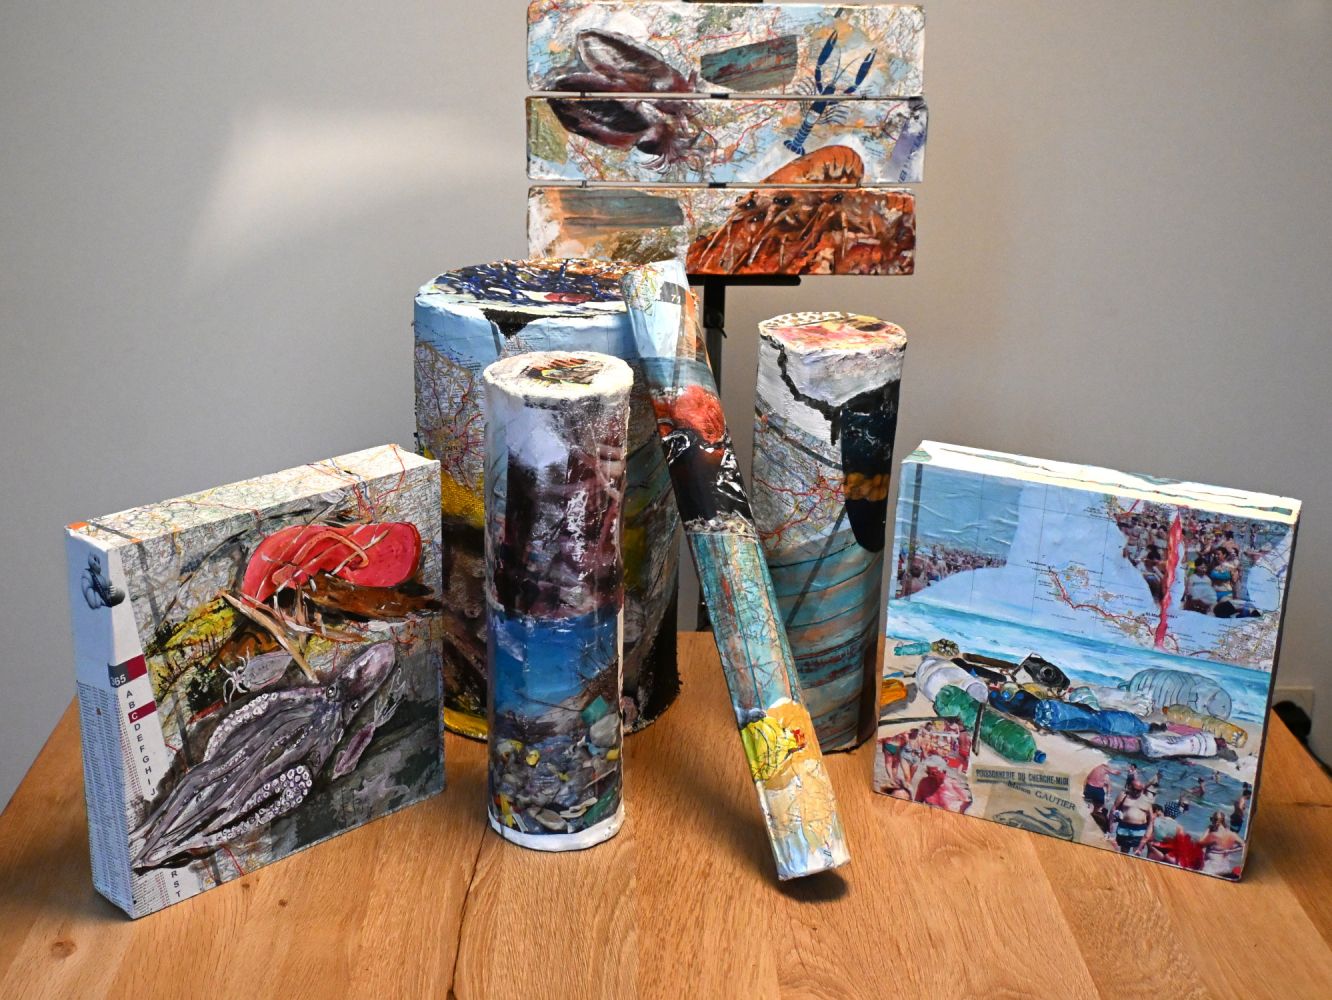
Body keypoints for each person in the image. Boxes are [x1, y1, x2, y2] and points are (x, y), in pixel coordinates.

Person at [1112, 774, 1159, 856]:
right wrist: (1111, 824)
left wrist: (1149, 833)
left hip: (1140, 829)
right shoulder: (1124, 795)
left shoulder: (1147, 800)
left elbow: (1151, 819)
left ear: (1142, 790)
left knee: (1137, 852)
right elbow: (1114, 809)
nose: (1136, 792)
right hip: (1124, 827)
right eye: (1134, 789)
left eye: (1138, 790)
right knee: (1124, 851)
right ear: (1130, 787)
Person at [1199, 810, 1245, 877]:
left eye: (1212, 819)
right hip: (1224, 868)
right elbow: (1243, 845)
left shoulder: (1213, 834)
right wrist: (1229, 851)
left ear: (1217, 821)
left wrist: (1208, 828)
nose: (1211, 821)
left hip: (1210, 868)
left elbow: (1200, 843)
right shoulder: (1231, 834)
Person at [1082, 761, 1122, 831]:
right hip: (1097, 790)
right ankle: (1093, 823)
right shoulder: (1105, 770)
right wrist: (1120, 770)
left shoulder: (1092, 769)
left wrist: (1084, 789)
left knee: (1089, 806)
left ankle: (1087, 822)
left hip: (1089, 788)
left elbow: (1086, 780)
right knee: (1098, 808)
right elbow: (1116, 773)